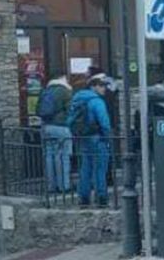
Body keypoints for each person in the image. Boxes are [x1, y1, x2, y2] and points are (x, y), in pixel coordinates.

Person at [70, 74, 113, 207]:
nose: (104, 88)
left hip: (83, 137)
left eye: (105, 86)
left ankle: (84, 198)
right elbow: (104, 123)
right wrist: (108, 137)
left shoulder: (77, 99)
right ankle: (101, 197)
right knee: (100, 169)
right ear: (93, 86)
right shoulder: (97, 101)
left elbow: (70, 119)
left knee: (85, 168)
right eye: (101, 86)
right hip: (97, 137)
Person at [37, 74, 73, 194]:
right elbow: (70, 111)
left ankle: (50, 186)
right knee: (63, 156)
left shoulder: (45, 90)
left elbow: (38, 110)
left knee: (49, 156)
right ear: (63, 77)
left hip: (46, 127)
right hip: (61, 127)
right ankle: (64, 186)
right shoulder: (65, 91)